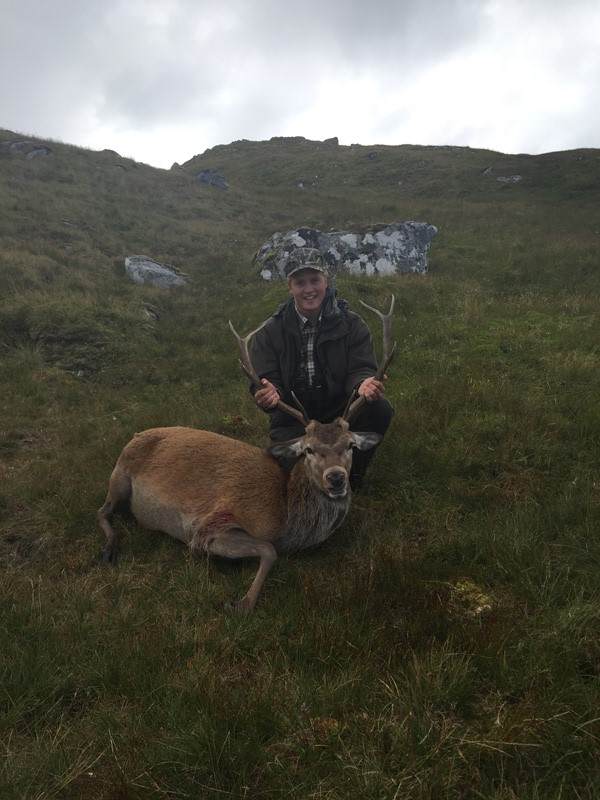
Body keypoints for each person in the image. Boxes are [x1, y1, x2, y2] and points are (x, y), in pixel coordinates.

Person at [249, 247, 394, 489]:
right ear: (290, 286)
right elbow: (264, 378)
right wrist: (267, 392)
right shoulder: (270, 332)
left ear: (326, 281)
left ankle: (353, 478)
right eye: (300, 282)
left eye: (315, 280)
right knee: (294, 481)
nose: (308, 290)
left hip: (339, 413)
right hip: (294, 418)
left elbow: (360, 367)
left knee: (379, 408)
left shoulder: (352, 325)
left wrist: (363, 384)